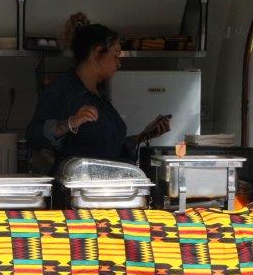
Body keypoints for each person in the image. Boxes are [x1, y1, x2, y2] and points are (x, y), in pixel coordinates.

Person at [27, 23, 171, 168]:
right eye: (115, 56)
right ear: (97, 53)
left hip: (108, 178)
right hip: (79, 181)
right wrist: (69, 124)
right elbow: (34, 136)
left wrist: (145, 135)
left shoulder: (99, 97)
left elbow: (110, 149)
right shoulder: (62, 91)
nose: (119, 63)